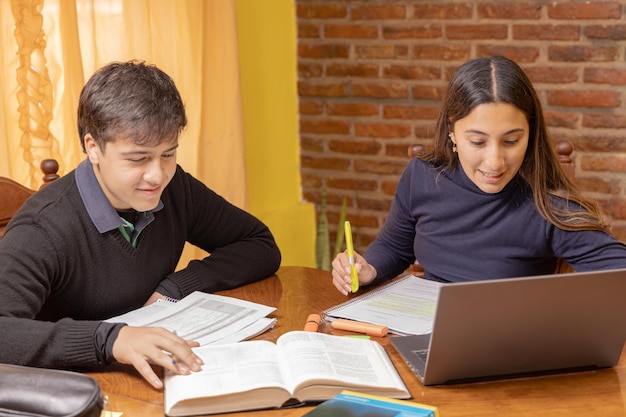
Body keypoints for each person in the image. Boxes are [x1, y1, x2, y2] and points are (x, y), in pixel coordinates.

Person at [0, 61, 281, 388]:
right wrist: (110, 339)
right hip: (78, 391)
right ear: (93, 147)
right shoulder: (43, 227)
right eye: (138, 159)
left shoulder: (175, 190)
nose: (157, 175)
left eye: (168, 154)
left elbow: (259, 244)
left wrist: (175, 288)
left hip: (155, 377)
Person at [332, 55, 626, 296]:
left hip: (508, 348)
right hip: (425, 334)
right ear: (452, 133)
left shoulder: (546, 205)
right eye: (478, 142)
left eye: (511, 141)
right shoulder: (422, 175)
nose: (495, 161)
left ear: (531, 135)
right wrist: (368, 268)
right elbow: (396, 246)